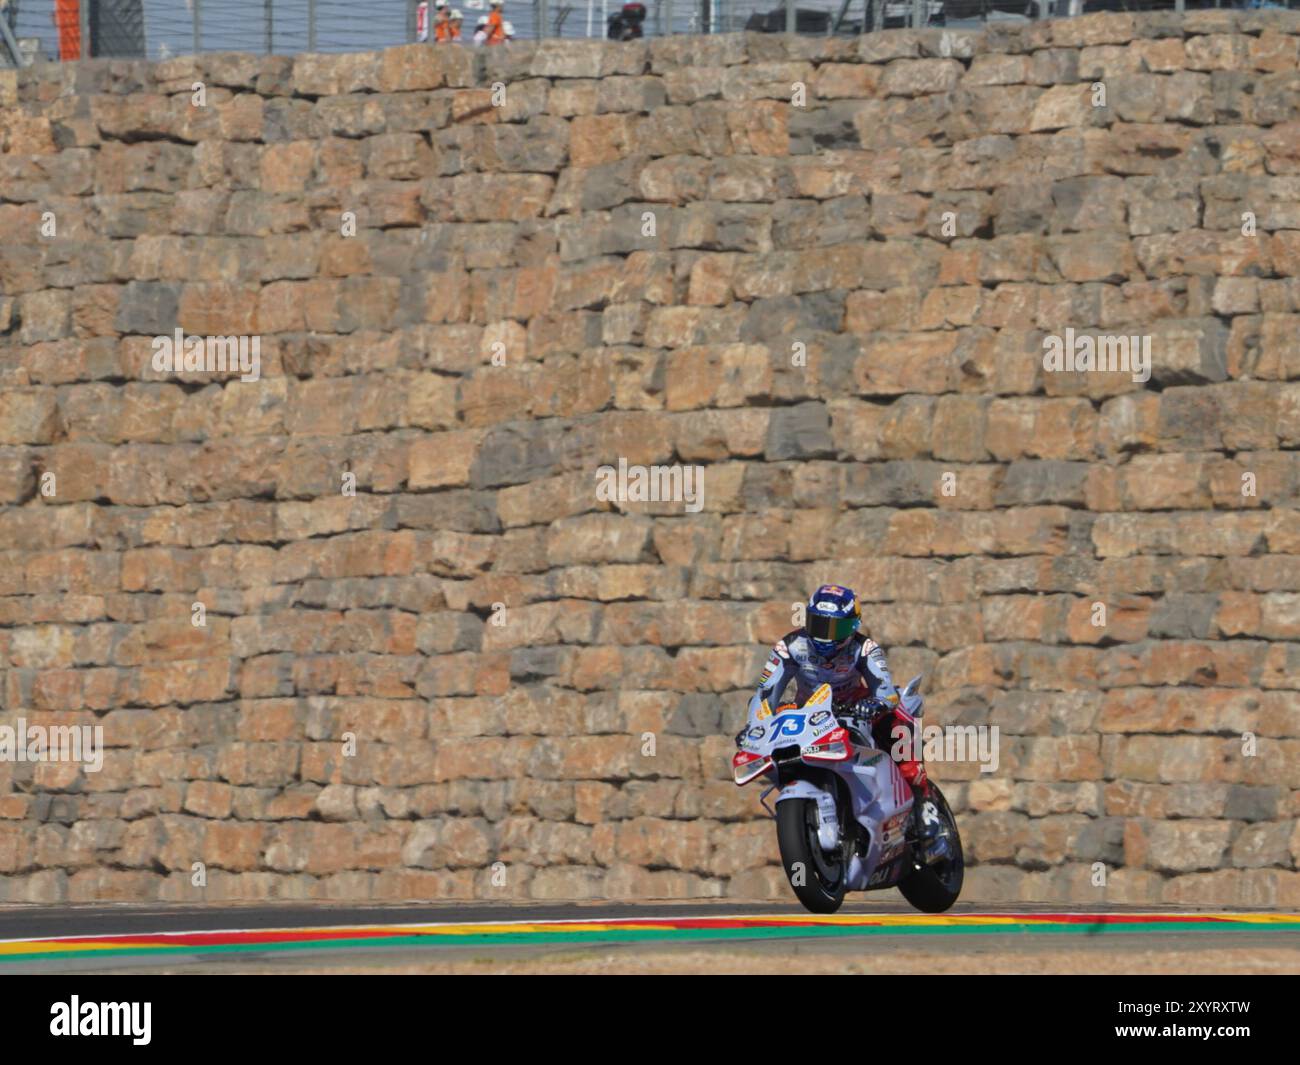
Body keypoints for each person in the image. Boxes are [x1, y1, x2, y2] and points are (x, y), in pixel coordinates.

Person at [747, 584, 931, 802]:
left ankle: (921, 796)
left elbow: (886, 692)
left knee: (894, 722)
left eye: (836, 629)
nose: (825, 637)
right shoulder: (790, 646)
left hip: (855, 706)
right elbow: (765, 693)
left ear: (853, 627)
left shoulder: (865, 649)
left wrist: (877, 704)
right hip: (808, 711)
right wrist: (753, 727)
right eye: (819, 624)